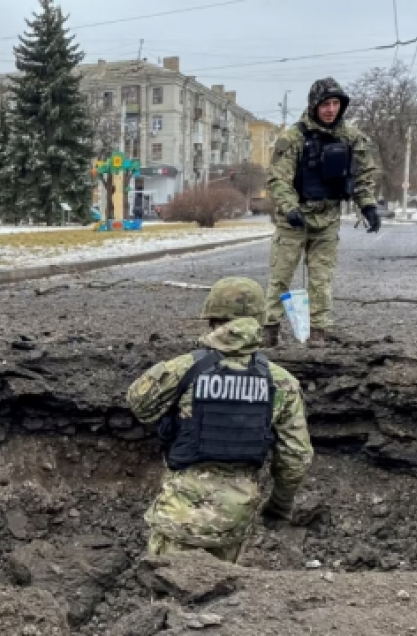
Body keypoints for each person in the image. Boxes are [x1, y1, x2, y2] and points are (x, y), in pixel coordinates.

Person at [127, 277, 313, 562]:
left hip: (179, 515)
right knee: (223, 598)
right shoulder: (281, 382)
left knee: (164, 598)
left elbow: (140, 405)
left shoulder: (186, 368)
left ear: (212, 319)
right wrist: (278, 507)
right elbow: (296, 457)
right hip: (234, 519)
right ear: (260, 322)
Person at [264, 77, 379, 348]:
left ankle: (318, 333)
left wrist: (369, 205)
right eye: (325, 104)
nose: (330, 109)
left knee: (321, 278)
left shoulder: (351, 138)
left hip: (327, 218)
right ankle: (269, 328)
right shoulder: (293, 137)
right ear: (314, 105)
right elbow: (278, 178)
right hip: (294, 219)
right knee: (281, 274)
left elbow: (363, 176)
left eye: (335, 103)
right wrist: (290, 207)